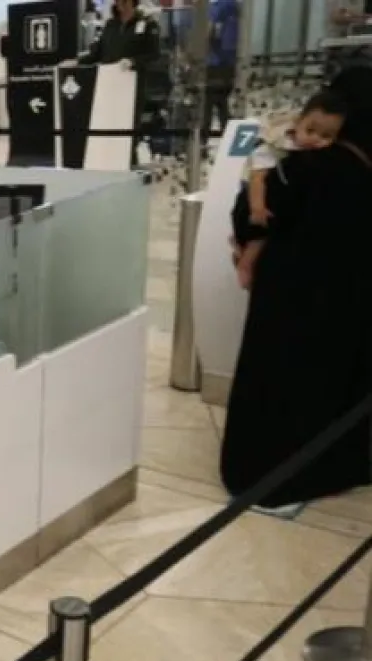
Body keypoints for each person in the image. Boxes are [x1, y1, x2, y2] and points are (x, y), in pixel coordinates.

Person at [220, 67, 372, 513]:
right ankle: (338, 465)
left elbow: (253, 214)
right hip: (353, 302)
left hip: (291, 300)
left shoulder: (306, 167)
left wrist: (247, 245)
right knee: (340, 382)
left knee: (281, 384)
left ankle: (268, 476)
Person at [233, 91, 346, 289]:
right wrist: (257, 208)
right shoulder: (275, 146)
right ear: (297, 123)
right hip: (254, 193)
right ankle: (246, 262)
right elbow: (257, 178)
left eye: (326, 136)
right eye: (310, 130)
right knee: (259, 233)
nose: (315, 139)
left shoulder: (317, 158)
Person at [79, 0, 160, 66]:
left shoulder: (148, 25)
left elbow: (153, 55)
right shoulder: (110, 25)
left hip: (133, 77)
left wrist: (133, 62)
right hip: (107, 76)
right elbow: (97, 53)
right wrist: (77, 61)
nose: (120, 3)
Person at [206, 0, 241, 132]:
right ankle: (228, 135)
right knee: (222, 102)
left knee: (207, 103)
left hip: (215, 61)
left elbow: (211, 30)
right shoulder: (236, 5)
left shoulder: (218, 6)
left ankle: (202, 142)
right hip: (231, 61)